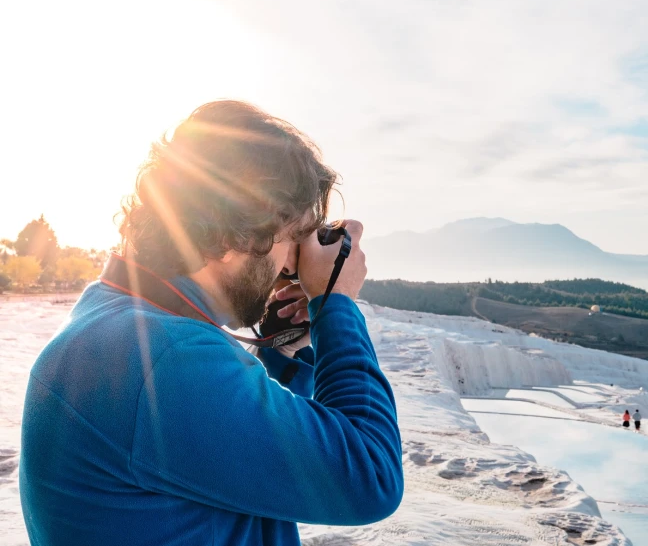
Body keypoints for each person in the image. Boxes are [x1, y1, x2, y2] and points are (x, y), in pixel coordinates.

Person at [20, 101, 404, 546]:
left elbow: (260, 462)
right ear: (234, 234)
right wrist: (336, 303)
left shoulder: (109, 322)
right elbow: (370, 478)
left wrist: (283, 346)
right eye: (291, 242)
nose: (290, 266)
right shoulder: (164, 359)